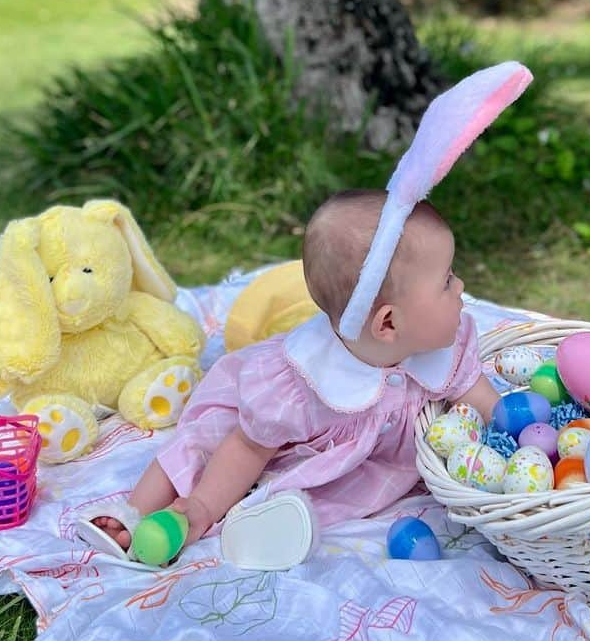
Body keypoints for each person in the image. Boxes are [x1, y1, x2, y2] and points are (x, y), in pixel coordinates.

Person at [78, 188, 501, 566]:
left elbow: (481, 397)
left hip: (333, 462)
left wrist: (521, 440)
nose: (461, 286)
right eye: (447, 280)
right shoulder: (296, 384)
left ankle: (258, 517)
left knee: (317, 498)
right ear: (388, 324)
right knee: (206, 439)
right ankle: (136, 512)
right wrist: (204, 505)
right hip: (253, 433)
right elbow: (246, 446)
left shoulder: (444, 344)